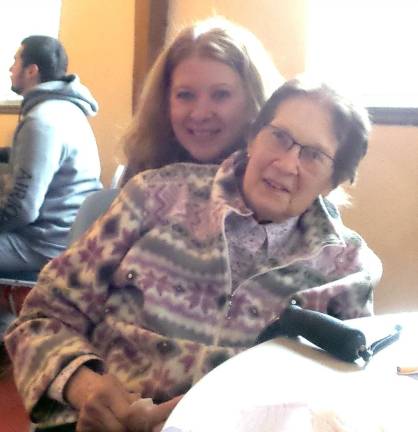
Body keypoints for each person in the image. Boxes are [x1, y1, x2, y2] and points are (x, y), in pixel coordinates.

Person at [5, 77, 382, 431]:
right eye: (279, 137)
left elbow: (342, 396)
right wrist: (89, 390)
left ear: (334, 181)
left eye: (313, 155)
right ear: (253, 136)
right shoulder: (155, 196)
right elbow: (40, 316)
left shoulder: (346, 267)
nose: (286, 163)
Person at [120, 16, 283, 185]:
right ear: (164, 100)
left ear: (253, 99)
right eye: (185, 95)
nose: (200, 114)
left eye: (221, 94)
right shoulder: (144, 169)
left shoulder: (278, 178)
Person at [0, 35, 102, 272]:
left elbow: (20, 210)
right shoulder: (66, 110)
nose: (10, 68)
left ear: (31, 71)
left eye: (15, 61)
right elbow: (34, 158)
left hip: (43, 244)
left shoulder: (41, 121)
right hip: (67, 234)